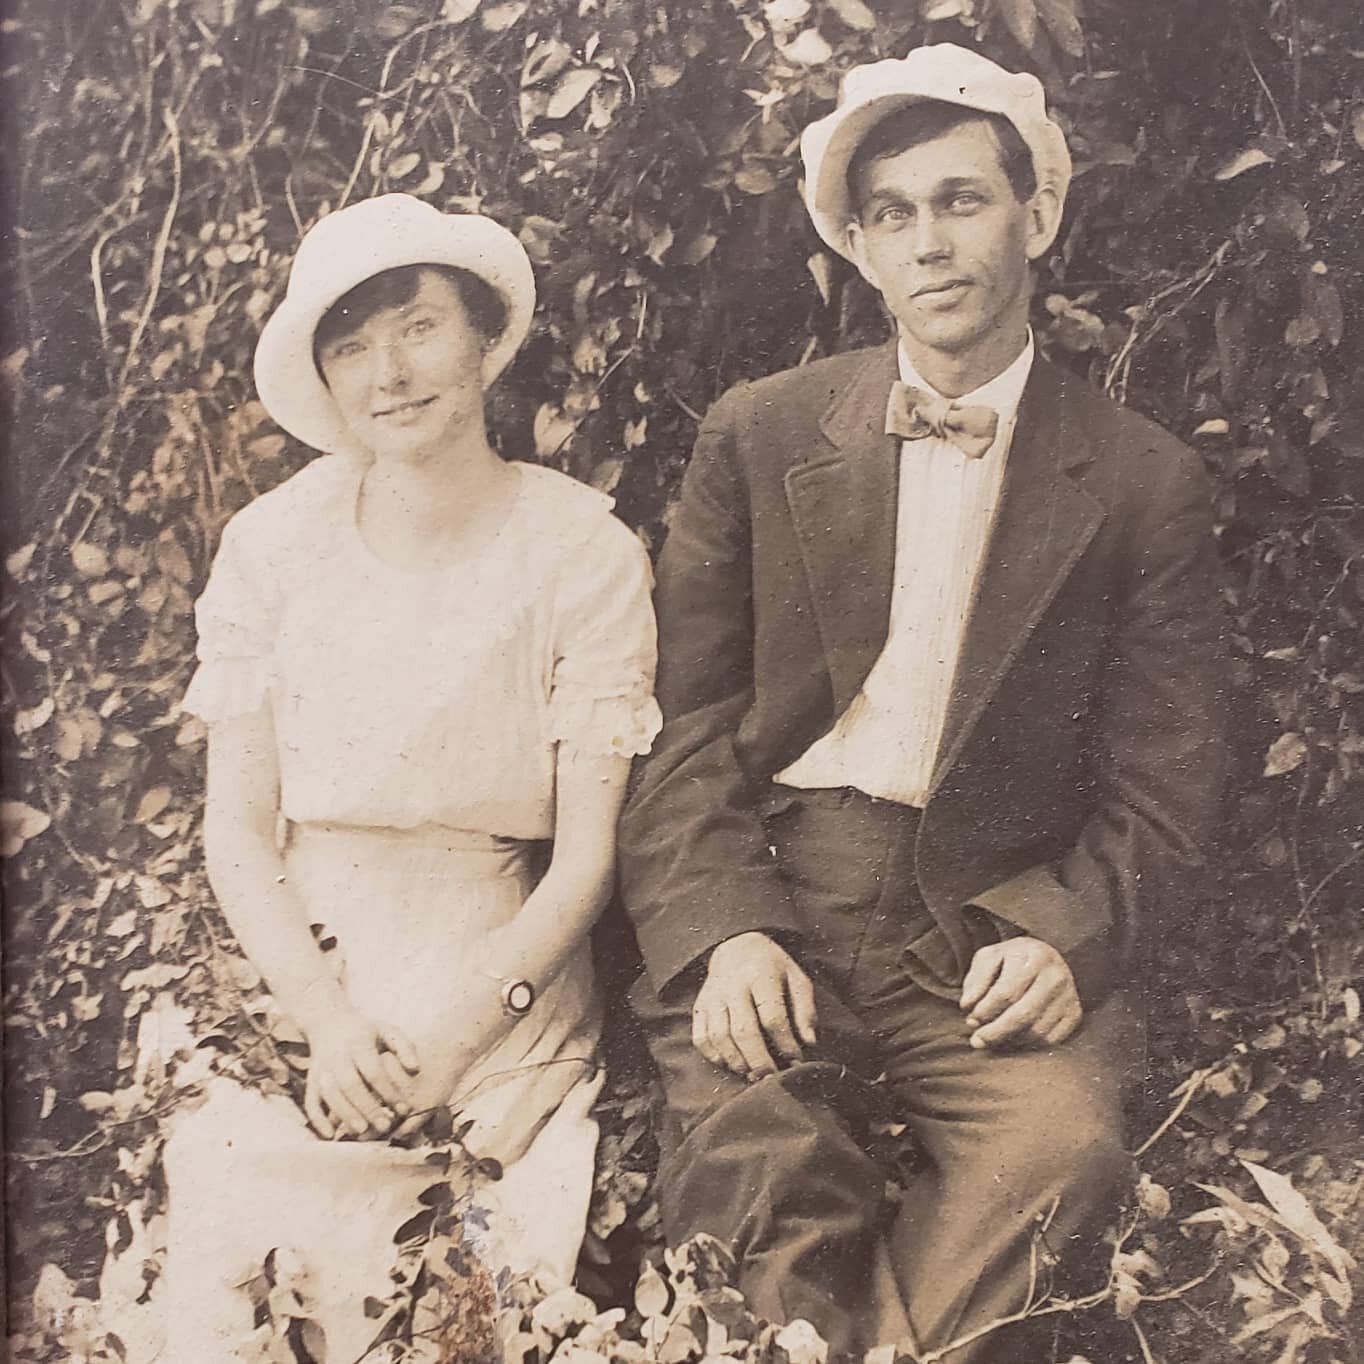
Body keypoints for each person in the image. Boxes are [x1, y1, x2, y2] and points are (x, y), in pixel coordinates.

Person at [619, 44, 1226, 1363]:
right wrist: (723, 929)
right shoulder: (762, 432)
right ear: (857, 245)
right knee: (755, 1161)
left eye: (961, 200)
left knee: (1061, 1151)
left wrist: (1061, 933)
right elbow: (679, 724)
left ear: (1038, 215)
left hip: (982, 926)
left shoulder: (1140, 483)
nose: (928, 243)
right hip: (781, 892)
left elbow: (1165, 782)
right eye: (889, 214)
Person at [160, 194, 660, 1361]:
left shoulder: (582, 547)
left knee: (455, 1290)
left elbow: (584, 860)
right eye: (350, 345)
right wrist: (325, 1021)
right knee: (245, 1236)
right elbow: (236, 833)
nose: (388, 372)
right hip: (298, 964)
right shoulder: (272, 546)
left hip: (498, 975)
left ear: (484, 339)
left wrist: (451, 1036)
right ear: (325, 379)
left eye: (419, 327)